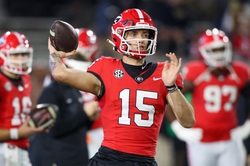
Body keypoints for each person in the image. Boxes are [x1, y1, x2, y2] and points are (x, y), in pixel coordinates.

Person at [48, 8, 195, 166]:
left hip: (144, 160)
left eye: (145, 34)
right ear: (119, 36)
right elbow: (61, 75)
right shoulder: (105, 67)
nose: (141, 39)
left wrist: (171, 86)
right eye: (134, 34)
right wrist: (54, 53)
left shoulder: (163, 73)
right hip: (108, 159)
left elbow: (188, 121)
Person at [167, 28, 250, 166]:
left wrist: (248, 125)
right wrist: (177, 128)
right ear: (204, 51)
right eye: (214, 50)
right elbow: (171, 98)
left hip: (230, 139)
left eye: (222, 49)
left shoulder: (239, 71)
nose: (219, 54)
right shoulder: (196, 72)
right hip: (201, 141)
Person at [28, 30, 100, 166]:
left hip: (73, 156)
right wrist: (84, 113)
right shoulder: (51, 92)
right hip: (56, 158)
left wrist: (89, 117)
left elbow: (78, 126)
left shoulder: (74, 90)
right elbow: (51, 128)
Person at [0, 31, 45, 166]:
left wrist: (37, 121)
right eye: (15, 55)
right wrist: (18, 132)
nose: (21, 59)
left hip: (22, 148)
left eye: (24, 54)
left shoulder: (25, 79)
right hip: (4, 149)